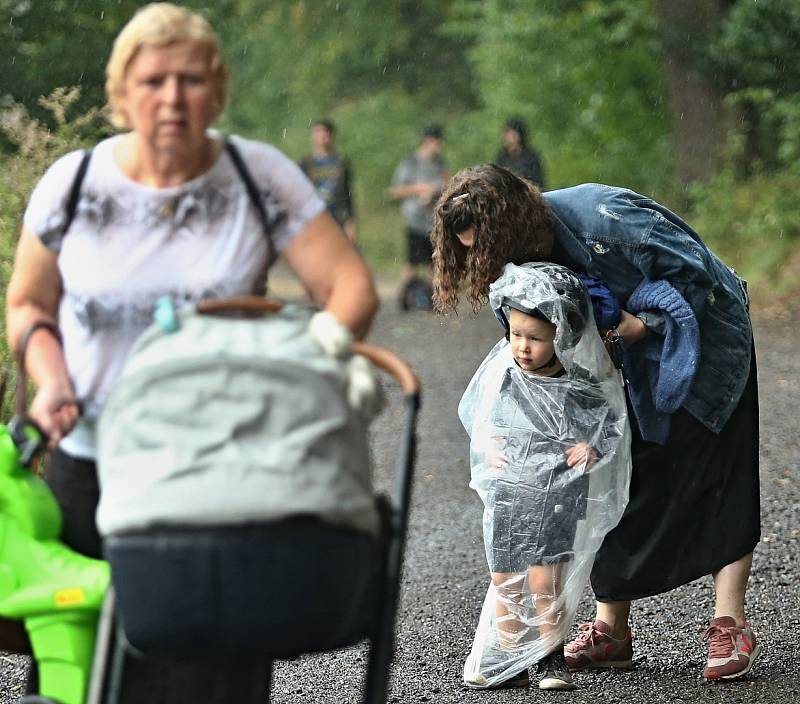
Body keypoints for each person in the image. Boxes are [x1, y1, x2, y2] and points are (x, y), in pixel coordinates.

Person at [5, 2, 378, 700]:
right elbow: (28, 303)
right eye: (152, 81)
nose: (171, 97)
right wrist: (50, 377)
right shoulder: (74, 184)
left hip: (219, 469)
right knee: (80, 677)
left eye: (190, 79)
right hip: (91, 463)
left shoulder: (255, 176)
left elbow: (350, 284)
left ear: (219, 88)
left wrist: (319, 348)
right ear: (121, 93)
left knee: (212, 678)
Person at [431, 164, 761, 682]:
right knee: (613, 477)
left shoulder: (604, 219)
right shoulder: (524, 257)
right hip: (626, 358)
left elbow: (695, 274)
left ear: (513, 224)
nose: (479, 260)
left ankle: (730, 621)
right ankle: (613, 631)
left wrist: (643, 324)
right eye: (468, 250)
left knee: (716, 476)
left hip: (708, 339)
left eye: (483, 246)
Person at [459, 262, 631, 691]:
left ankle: (550, 658)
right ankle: (512, 658)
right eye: (516, 335)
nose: (523, 347)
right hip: (510, 493)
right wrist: (490, 445)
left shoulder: (577, 384)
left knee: (544, 580)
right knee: (505, 579)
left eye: (535, 338)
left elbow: (609, 419)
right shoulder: (505, 379)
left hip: (555, 493)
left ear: (561, 335)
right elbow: (484, 421)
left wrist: (591, 446)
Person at [389, 124, 448, 309]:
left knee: (433, 261)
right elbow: (395, 190)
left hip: (433, 220)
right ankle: (405, 297)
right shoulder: (410, 163)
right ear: (427, 141)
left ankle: (431, 299)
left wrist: (435, 191)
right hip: (414, 220)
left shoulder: (440, 163)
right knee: (412, 263)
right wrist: (419, 188)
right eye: (435, 141)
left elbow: (448, 183)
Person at [299, 118, 357, 242]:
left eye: (326, 131)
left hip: (337, 218)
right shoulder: (306, 163)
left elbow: (348, 193)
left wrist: (350, 222)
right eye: (318, 131)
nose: (323, 135)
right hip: (314, 220)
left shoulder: (341, 162)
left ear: (332, 135)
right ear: (313, 136)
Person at [495, 117, 546, 189]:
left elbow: (538, 182)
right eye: (507, 133)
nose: (508, 137)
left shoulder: (530, 157)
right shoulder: (502, 158)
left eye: (511, 133)